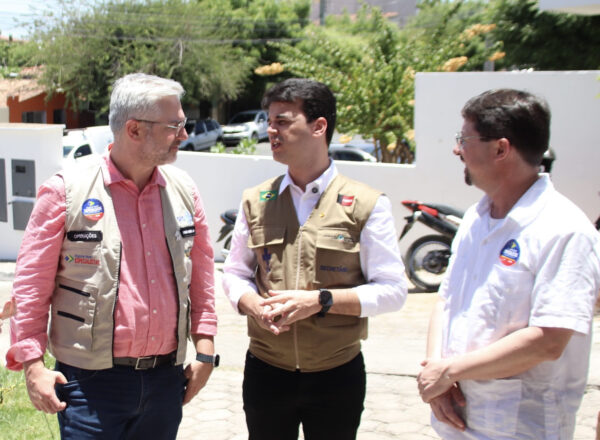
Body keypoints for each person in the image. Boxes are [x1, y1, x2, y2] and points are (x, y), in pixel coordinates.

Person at [6, 73, 218, 439]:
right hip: (90, 385)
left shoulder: (184, 190)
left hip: (166, 380)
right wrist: (33, 365)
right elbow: (31, 286)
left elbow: (202, 277)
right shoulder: (66, 192)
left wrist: (205, 351)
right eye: (174, 126)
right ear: (134, 129)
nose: (184, 134)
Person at [222, 78, 408, 440]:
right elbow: (234, 273)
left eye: (282, 121)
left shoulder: (366, 203)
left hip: (336, 374)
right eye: (269, 121)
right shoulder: (256, 200)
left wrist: (321, 301)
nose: (271, 131)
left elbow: (393, 290)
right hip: (266, 370)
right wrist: (251, 303)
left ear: (319, 126)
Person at [417, 88, 600, 439]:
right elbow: (447, 299)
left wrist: (449, 371)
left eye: (464, 139)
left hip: (519, 427)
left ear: (501, 149)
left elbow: (549, 339)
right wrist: (436, 376)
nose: (457, 149)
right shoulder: (476, 218)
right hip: (456, 420)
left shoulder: (564, 230)